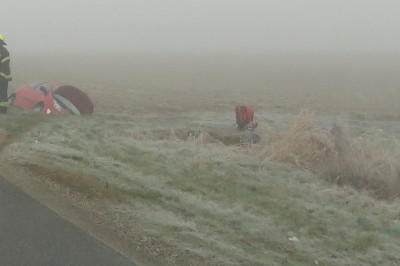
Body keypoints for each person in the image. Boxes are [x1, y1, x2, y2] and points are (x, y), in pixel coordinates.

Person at [0, 34, 12, 114]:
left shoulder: (4, 51)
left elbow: (5, 66)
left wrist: (2, 77)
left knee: (3, 93)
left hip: (3, 77)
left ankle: (3, 110)